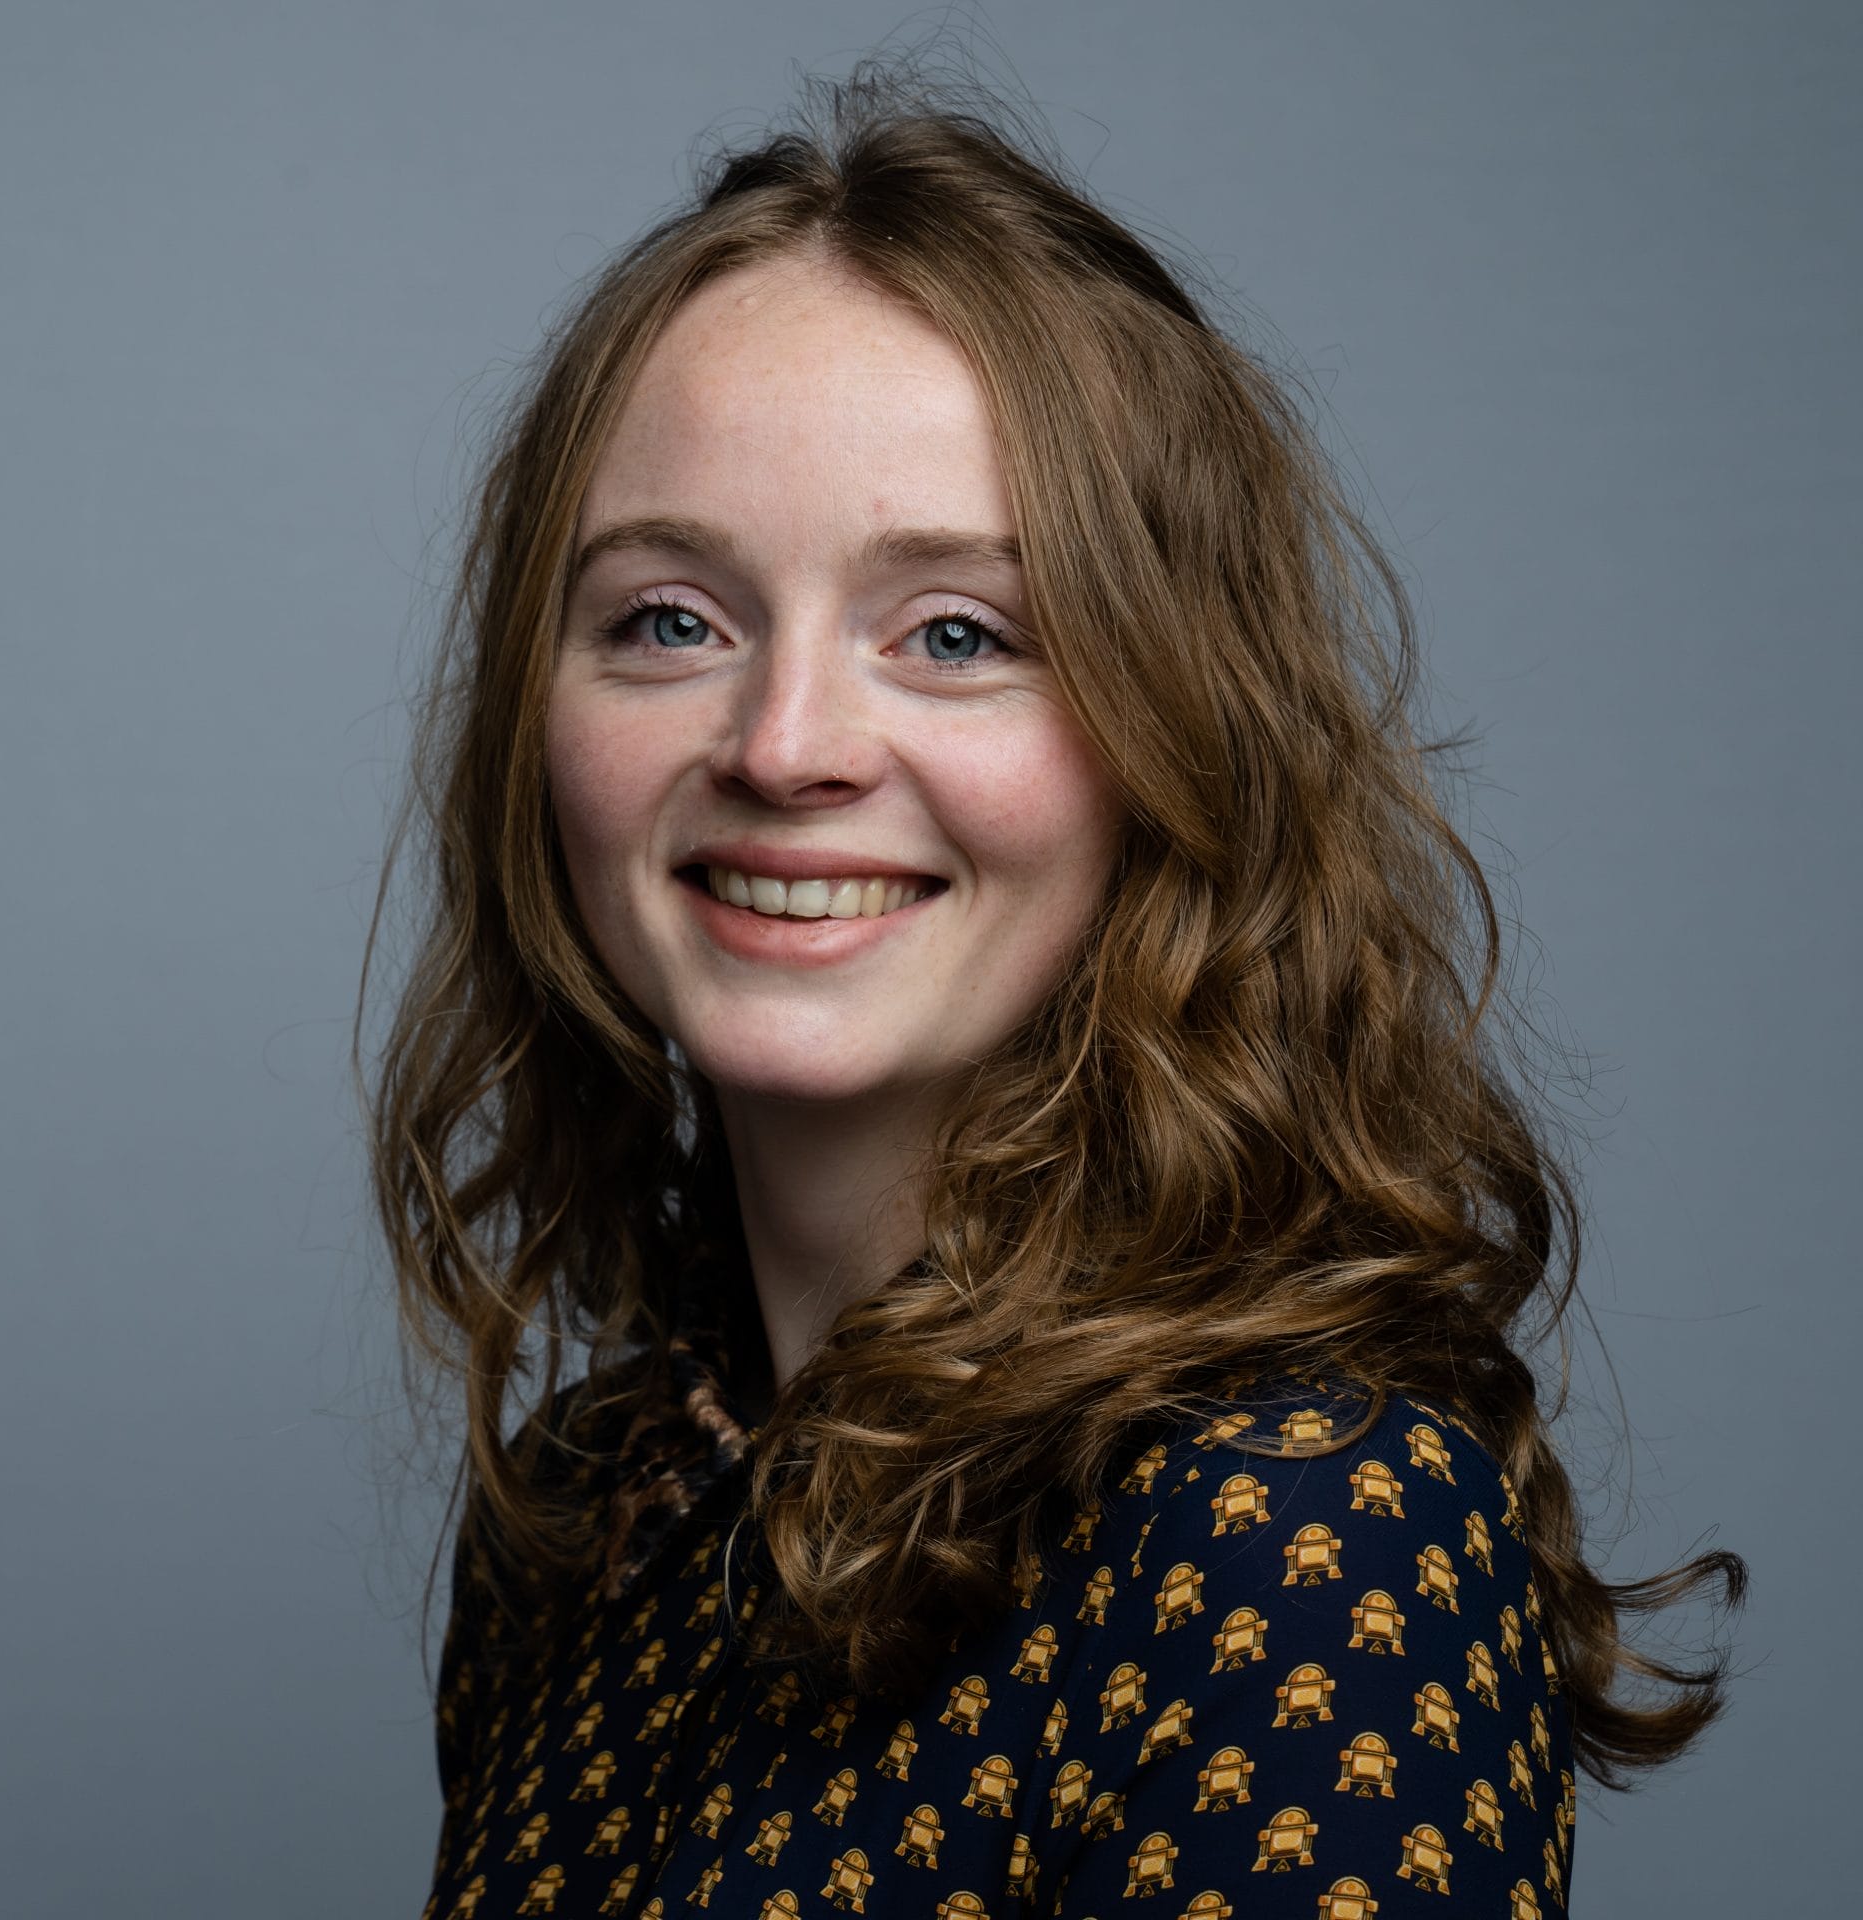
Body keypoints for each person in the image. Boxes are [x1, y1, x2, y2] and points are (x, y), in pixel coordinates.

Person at [361, 58, 1741, 1920]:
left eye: (955, 634)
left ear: (1174, 737)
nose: (784, 745)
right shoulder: (589, 1513)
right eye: (668, 619)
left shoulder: (1303, 1532)